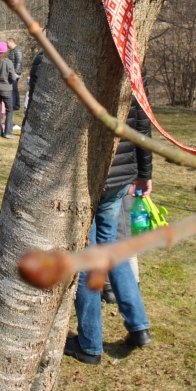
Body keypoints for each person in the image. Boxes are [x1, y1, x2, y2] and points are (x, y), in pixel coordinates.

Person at [64, 94, 154, 365]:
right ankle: (138, 326)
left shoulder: (72, 64)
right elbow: (142, 119)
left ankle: (90, 344)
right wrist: (144, 173)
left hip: (88, 173)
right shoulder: (134, 67)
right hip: (120, 173)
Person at [0, 41, 18, 138]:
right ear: (5, 51)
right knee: (9, 110)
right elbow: (13, 78)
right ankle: (8, 133)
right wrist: (11, 80)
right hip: (7, 89)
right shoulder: (8, 62)